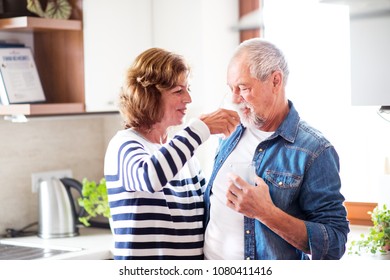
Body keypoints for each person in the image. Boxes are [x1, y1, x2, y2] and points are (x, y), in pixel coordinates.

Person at [203, 38, 350, 260]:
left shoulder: (315, 150)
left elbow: (335, 243)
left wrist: (265, 212)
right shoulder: (229, 133)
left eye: (243, 88)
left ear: (275, 81)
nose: (234, 99)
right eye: (230, 89)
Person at [104, 47, 239, 260]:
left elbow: (207, 210)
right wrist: (201, 128)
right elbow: (150, 177)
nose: (188, 99)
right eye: (178, 91)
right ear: (149, 96)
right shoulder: (124, 145)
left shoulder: (185, 157)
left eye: (188, 89)